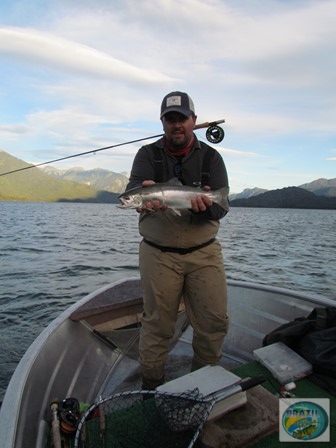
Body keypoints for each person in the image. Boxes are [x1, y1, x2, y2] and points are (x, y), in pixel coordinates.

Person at [125, 91, 230, 390]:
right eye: (170, 119)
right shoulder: (147, 154)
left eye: (181, 118)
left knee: (213, 323)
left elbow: (221, 207)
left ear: (193, 121)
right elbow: (135, 187)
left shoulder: (212, 157)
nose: (176, 125)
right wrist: (141, 194)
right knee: (157, 326)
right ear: (162, 123)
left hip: (204, 254)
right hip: (158, 255)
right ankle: (151, 387)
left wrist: (206, 205)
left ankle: (205, 386)